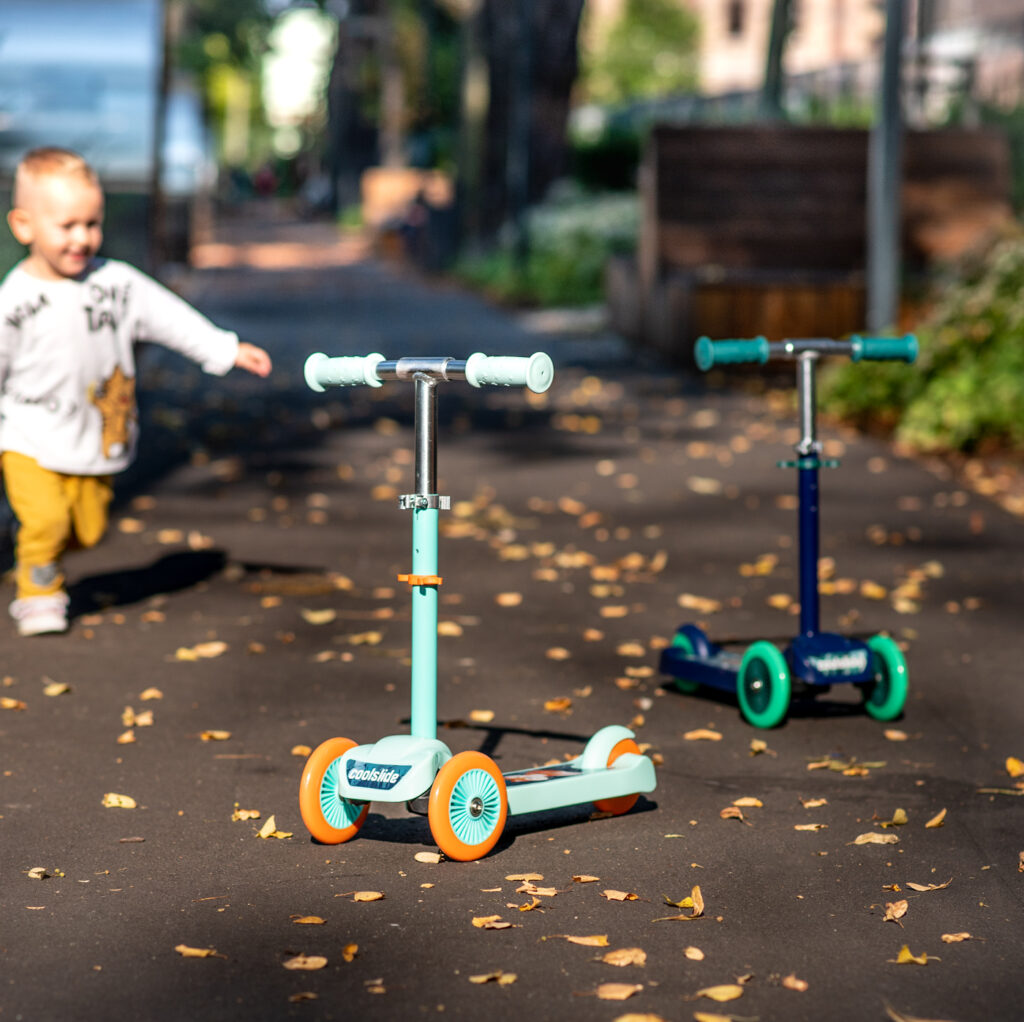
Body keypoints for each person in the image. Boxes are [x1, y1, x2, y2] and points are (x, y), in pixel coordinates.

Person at [0, 147, 272, 636]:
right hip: (28, 435)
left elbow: (170, 318)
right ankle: (37, 592)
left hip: (94, 436)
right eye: (67, 226)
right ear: (24, 226)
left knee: (87, 529)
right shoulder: (15, 301)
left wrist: (223, 348)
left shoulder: (116, 283)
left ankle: (44, 556)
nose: (82, 238)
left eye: (92, 223)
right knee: (45, 520)